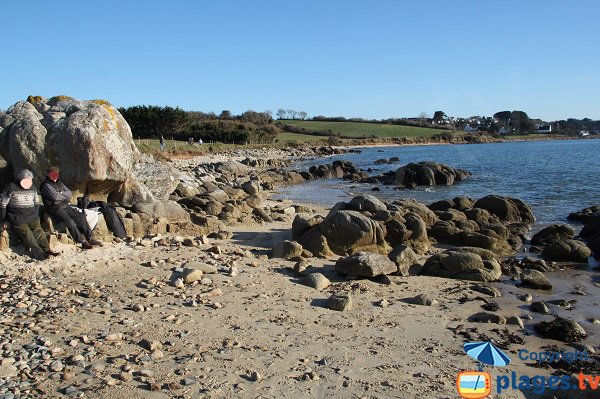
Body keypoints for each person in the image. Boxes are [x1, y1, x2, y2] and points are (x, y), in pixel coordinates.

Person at [0, 169, 59, 260]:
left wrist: (35, 214)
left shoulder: (33, 187)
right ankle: (39, 253)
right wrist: (4, 219)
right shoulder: (11, 187)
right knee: (27, 234)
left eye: (30, 179)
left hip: (32, 216)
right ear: (20, 179)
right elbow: (3, 204)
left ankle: (47, 250)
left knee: (38, 231)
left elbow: (37, 203)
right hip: (17, 217)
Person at [40, 167, 102, 250]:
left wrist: (61, 194)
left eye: (56, 173)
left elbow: (69, 193)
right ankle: (81, 241)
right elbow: (55, 197)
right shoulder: (46, 185)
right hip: (54, 207)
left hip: (65, 205)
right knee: (69, 221)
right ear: (48, 174)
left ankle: (90, 238)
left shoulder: (60, 183)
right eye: (52, 173)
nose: (54, 175)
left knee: (81, 216)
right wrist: (63, 195)